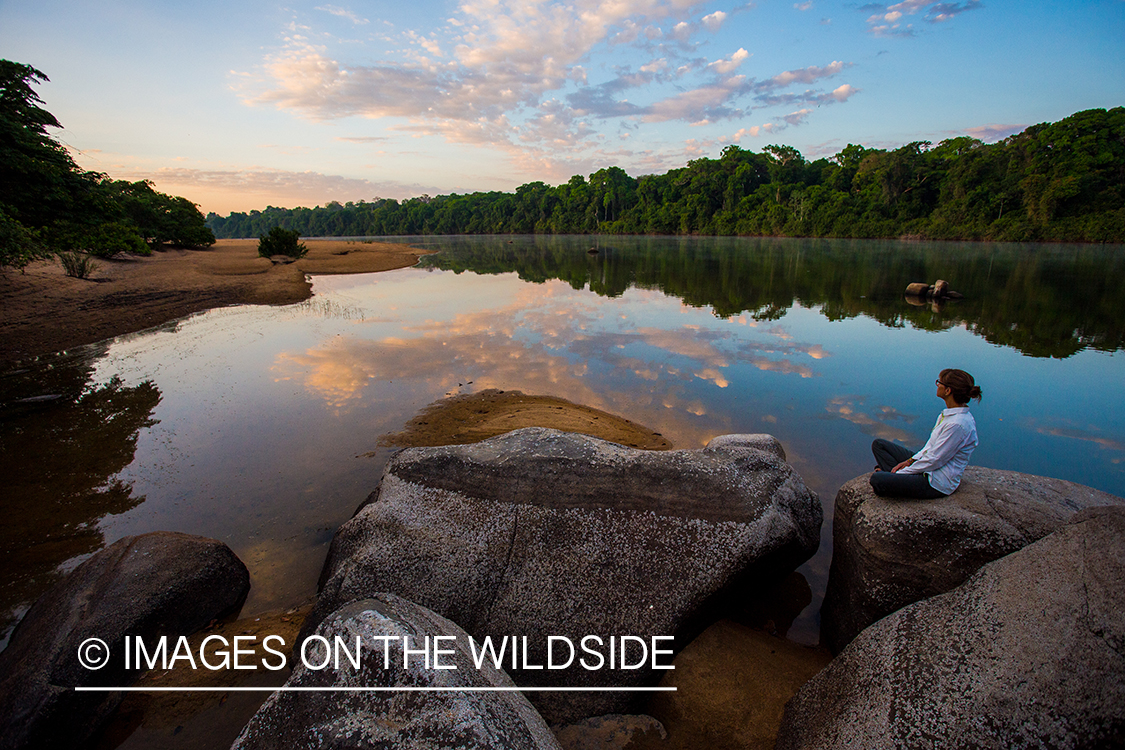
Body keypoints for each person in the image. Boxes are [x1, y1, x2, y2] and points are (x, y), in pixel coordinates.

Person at [870, 368, 982, 499]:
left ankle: (892, 478)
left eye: (940, 382)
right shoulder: (947, 415)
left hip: (936, 482)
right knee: (879, 445)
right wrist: (910, 461)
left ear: (948, 390)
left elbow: (935, 460)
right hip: (928, 467)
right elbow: (930, 448)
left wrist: (901, 474)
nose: (937, 384)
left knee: (877, 479)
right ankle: (894, 477)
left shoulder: (957, 425)